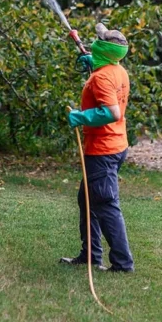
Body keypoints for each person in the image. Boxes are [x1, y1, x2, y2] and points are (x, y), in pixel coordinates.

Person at [59, 23, 135, 273]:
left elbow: (111, 112)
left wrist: (82, 117)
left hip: (103, 150)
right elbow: (105, 79)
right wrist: (92, 61)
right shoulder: (116, 70)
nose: (94, 41)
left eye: (98, 40)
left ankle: (123, 264)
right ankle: (90, 255)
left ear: (105, 49)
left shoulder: (102, 76)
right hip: (115, 144)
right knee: (88, 201)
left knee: (104, 203)